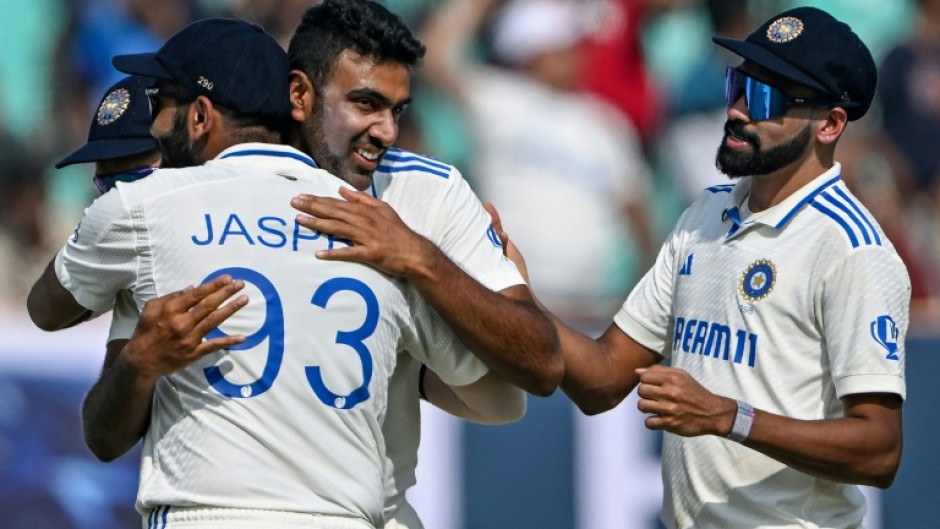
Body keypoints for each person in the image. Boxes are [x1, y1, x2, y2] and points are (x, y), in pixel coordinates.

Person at [28, 18, 512, 529]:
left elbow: (48, 312)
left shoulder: (146, 210)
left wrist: (139, 362)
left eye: (162, 104)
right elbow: (497, 394)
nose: (153, 123)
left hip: (208, 517)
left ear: (198, 116)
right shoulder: (381, 228)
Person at [498, 6, 909, 528]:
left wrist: (727, 416)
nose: (737, 110)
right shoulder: (705, 213)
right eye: (737, 84)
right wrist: (515, 294)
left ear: (829, 124)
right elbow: (602, 378)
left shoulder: (852, 249)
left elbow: (879, 451)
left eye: (764, 97)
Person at [284, 2, 558, 526]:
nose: (386, 131)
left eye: (397, 110)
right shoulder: (235, 183)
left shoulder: (431, 190)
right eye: (366, 104)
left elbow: (537, 368)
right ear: (301, 95)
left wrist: (418, 256)